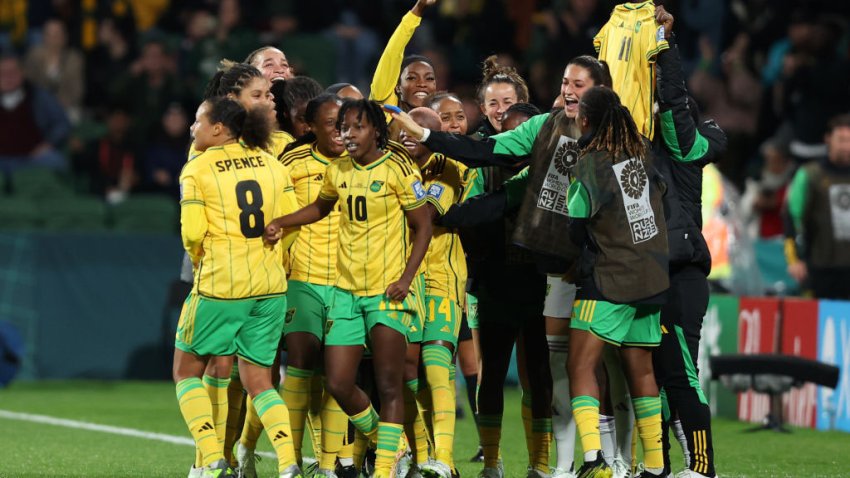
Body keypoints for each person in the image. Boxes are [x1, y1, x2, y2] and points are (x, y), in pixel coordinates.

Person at [388, 56, 613, 478]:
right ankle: (494, 462)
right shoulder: (476, 154)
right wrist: (425, 140)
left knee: (559, 371)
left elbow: (498, 201)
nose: (497, 111)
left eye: (506, 103)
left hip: (548, 273)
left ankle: (574, 461)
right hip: (488, 276)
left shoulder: (559, 141)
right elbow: (483, 196)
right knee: (488, 373)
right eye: (491, 104)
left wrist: (442, 217)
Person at [264, 99, 433, 478]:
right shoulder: (338, 170)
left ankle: (386, 468)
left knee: (389, 384)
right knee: (339, 382)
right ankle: (390, 441)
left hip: (385, 293)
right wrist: (283, 222)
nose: (348, 134)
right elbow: (321, 208)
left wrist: (406, 280)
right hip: (346, 292)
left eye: (357, 127)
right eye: (343, 127)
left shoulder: (397, 168)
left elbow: (422, 226)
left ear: (376, 130)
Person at [174, 96, 303, 478]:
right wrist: (275, 259)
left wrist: (200, 257)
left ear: (218, 128)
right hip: (270, 286)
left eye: (198, 120)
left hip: (221, 285)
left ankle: (213, 458)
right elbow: (291, 223)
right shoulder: (271, 163)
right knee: (260, 381)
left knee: (185, 371)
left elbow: (192, 232)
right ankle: (289, 462)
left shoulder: (196, 169)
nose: (192, 128)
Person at [566, 86, 668, 478]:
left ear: (586, 120)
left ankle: (593, 459)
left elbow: (576, 227)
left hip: (610, 279)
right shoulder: (641, 157)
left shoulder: (590, 163)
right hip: (653, 279)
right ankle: (656, 465)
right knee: (641, 369)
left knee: (580, 365)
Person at [651, 8, 728, 477]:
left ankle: (701, 467)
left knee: (679, 374)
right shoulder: (646, 150)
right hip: (647, 271)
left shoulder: (689, 149)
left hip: (681, 274)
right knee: (650, 380)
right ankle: (658, 465)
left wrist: (665, 46)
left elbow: (676, 106)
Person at [276, 93, 351, 476]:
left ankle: (326, 464)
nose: (339, 132)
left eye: (344, 124)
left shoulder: (361, 162)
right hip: (302, 278)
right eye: (329, 124)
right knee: (302, 361)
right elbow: (275, 209)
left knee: (336, 374)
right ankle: (289, 462)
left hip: (347, 283)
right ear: (311, 127)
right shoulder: (292, 161)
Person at [785, 113, 850, 300]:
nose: (846, 146)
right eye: (842, 140)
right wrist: (795, 260)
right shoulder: (810, 175)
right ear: (828, 139)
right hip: (820, 268)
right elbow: (791, 216)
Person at [369, 0, 438, 132]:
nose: (422, 84)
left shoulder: (439, 119)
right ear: (398, 87)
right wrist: (418, 10)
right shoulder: (385, 111)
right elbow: (393, 53)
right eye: (412, 78)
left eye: (429, 78)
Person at [0, 54, 70, 174]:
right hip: (1, 159)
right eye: (3, 73)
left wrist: (49, 143)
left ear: (23, 73)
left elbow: (62, 123)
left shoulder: (39, 96)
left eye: (13, 72)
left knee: (57, 162)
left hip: (32, 158)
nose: (8, 77)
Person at [473, 55, 530, 139]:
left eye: (507, 102)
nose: (500, 110)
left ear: (521, 106)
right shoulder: (474, 145)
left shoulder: (536, 143)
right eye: (493, 104)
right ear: (484, 109)